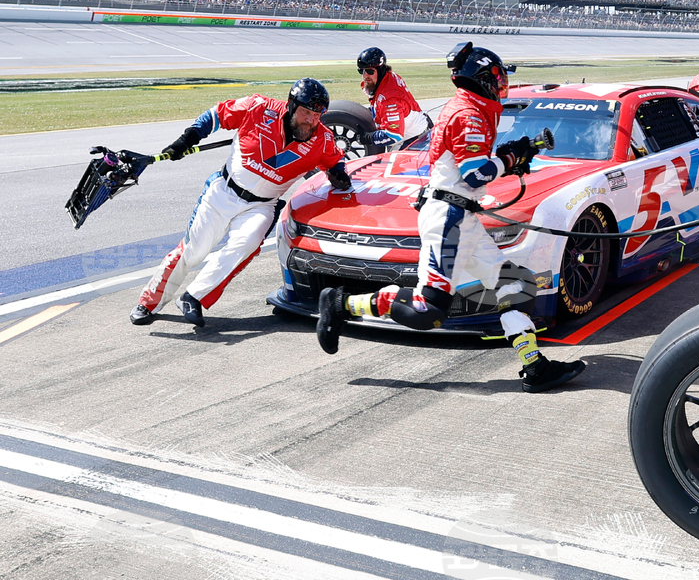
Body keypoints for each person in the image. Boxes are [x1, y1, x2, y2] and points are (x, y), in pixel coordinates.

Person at [315, 42, 586, 393]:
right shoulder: (469, 114)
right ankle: (340, 303)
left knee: (516, 285)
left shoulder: (472, 108)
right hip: (450, 220)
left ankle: (535, 367)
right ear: (484, 79)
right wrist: (511, 157)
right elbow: (475, 175)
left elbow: (472, 170)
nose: (502, 85)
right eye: (498, 78)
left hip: (462, 217)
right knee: (429, 310)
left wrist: (512, 154)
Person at [130, 79, 350, 327]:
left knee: (245, 245)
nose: (310, 120)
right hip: (223, 192)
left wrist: (339, 174)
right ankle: (148, 303)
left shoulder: (323, 139)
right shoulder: (258, 107)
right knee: (194, 252)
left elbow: (335, 163)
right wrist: (187, 138)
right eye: (305, 112)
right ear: (290, 106)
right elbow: (216, 115)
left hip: (262, 206)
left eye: (317, 115)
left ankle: (194, 297)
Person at [356, 47, 432, 153]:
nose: (365, 75)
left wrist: (369, 138)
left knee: (392, 168)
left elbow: (394, 135)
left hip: (413, 141)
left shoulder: (390, 100)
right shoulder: (385, 78)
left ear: (381, 69)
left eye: (369, 71)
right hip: (413, 129)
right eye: (361, 70)